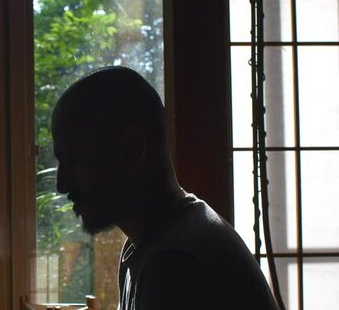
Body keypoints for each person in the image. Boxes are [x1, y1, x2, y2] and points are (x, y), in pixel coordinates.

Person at [51, 66, 278, 310]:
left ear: (133, 147)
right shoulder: (151, 244)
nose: (61, 184)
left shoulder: (177, 264)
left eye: (73, 161)